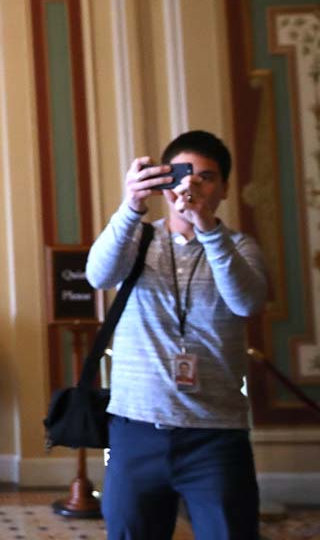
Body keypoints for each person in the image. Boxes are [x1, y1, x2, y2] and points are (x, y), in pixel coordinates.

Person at [86, 130, 267, 539]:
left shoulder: (239, 247)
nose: (192, 186)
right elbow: (98, 275)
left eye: (207, 177)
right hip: (135, 427)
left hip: (215, 434)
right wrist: (131, 206)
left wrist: (206, 228)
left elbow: (246, 303)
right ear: (164, 182)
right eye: (184, 174)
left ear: (224, 188)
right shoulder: (137, 239)